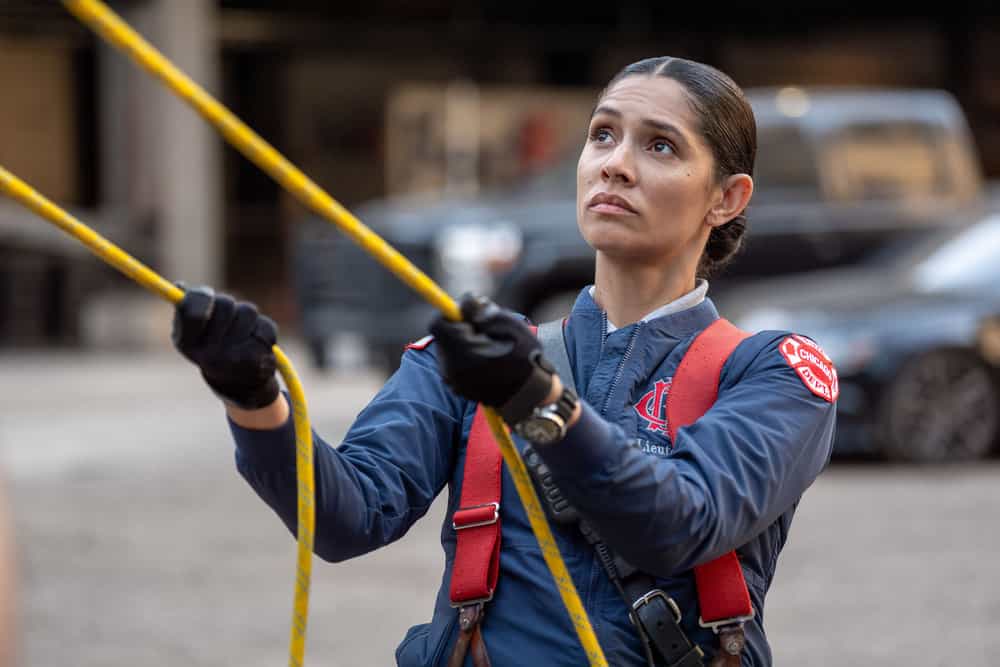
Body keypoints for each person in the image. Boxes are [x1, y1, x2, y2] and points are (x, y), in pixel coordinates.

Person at [172, 56, 837, 666]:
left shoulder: (775, 372)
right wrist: (254, 397)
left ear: (728, 197)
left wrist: (535, 402)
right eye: (603, 135)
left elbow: (681, 521)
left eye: (659, 145)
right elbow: (349, 515)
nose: (615, 163)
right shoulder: (472, 361)